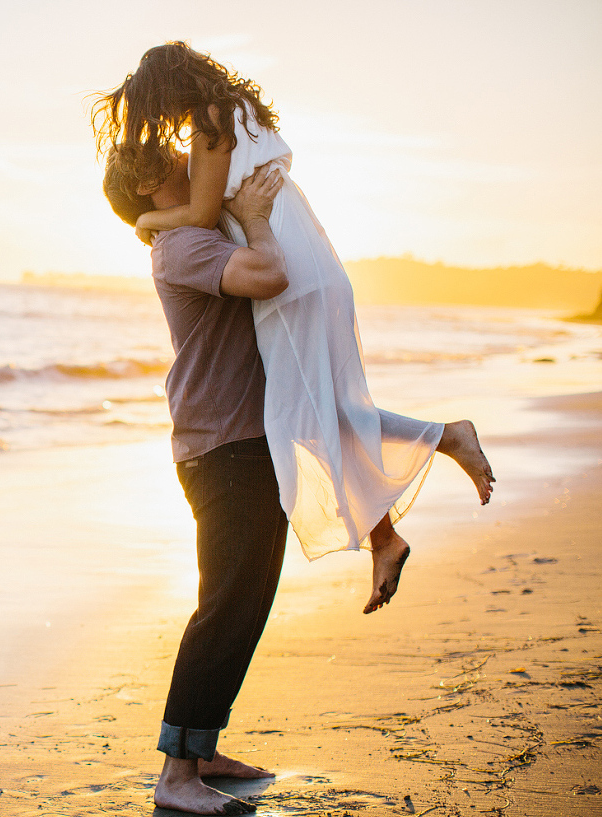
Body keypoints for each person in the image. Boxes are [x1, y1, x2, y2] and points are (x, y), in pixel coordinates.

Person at [95, 42, 495, 614]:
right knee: (313, 404)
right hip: (307, 259)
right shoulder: (225, 112)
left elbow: (204, 217)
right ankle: (390, 527)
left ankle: (441, 448)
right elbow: (214, 215)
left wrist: (150, 222)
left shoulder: (211, 123)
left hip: (292, 269)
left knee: (301, 408)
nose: (155, 131)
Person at [109, 149, 290, 815]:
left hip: (244, 438)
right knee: (223, 604)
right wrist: (256, 219)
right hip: (222, 445)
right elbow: (268, 275)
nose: (189, 155)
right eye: (169, 156)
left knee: (246, 599)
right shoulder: (182, 243)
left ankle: (202, 746)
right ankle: (176, 773)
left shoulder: (187, 228)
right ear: (145, 184)